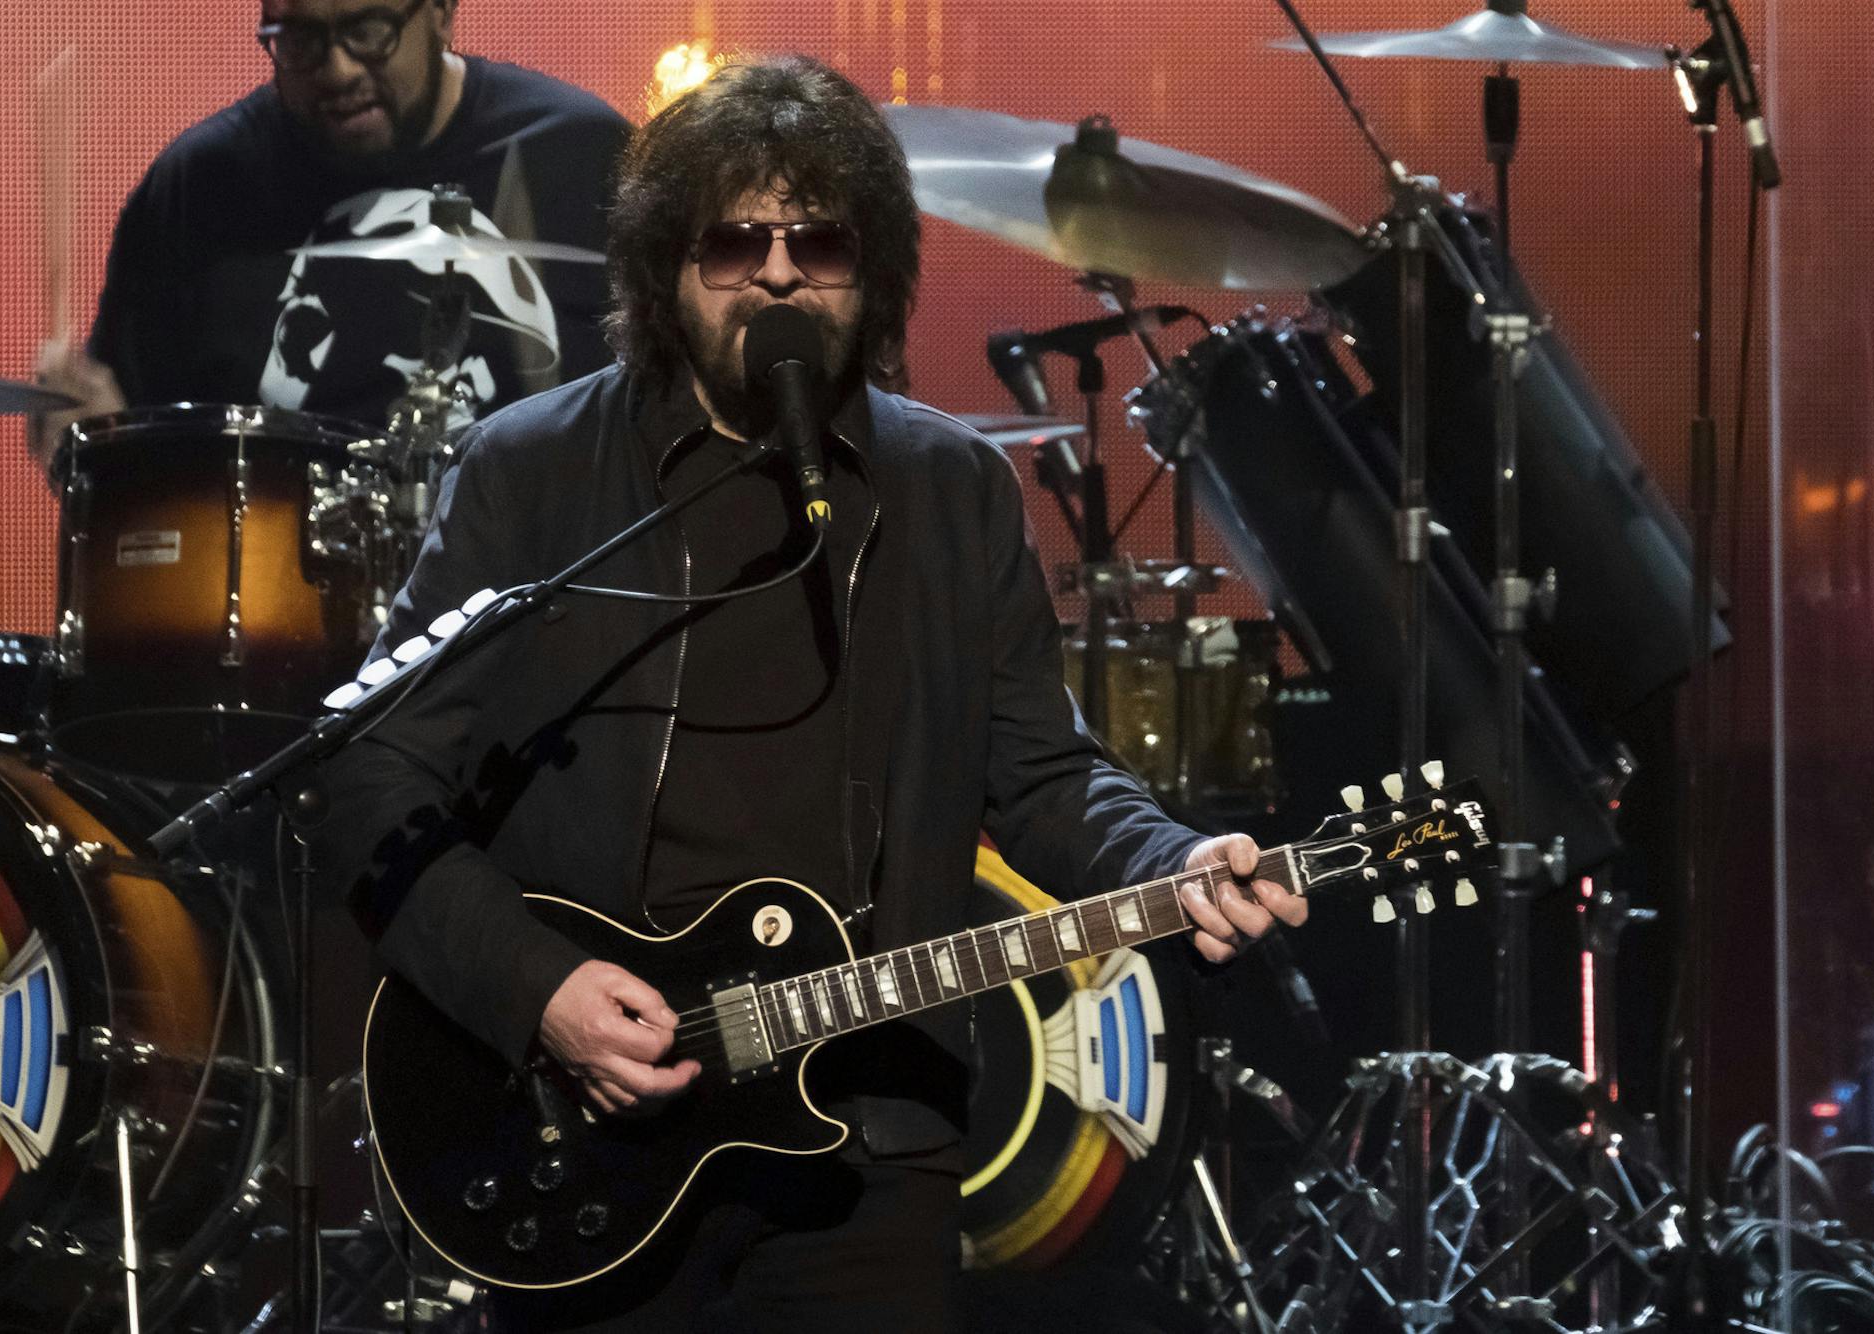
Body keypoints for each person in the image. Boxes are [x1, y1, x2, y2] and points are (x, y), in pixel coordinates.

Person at [312, 54, 1309, 1332]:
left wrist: (1172, 858)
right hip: (589, 1135)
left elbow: (1047, 774)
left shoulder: (950, 492)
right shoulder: (536, 474)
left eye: (817, 241)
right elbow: (370, 769)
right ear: (668, 270)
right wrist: (537, 987)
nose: (777, 271)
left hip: (866, 1142)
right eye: (734, 240)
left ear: (870, 268)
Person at [30, 0, 630, 462]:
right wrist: (98, 448)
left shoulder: (583, 157)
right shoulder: (198, 192)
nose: (337, 70)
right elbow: (150, 484)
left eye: (368, 31)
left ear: (442, 12)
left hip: (541, 605)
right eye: (300, 41)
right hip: (280, 611)